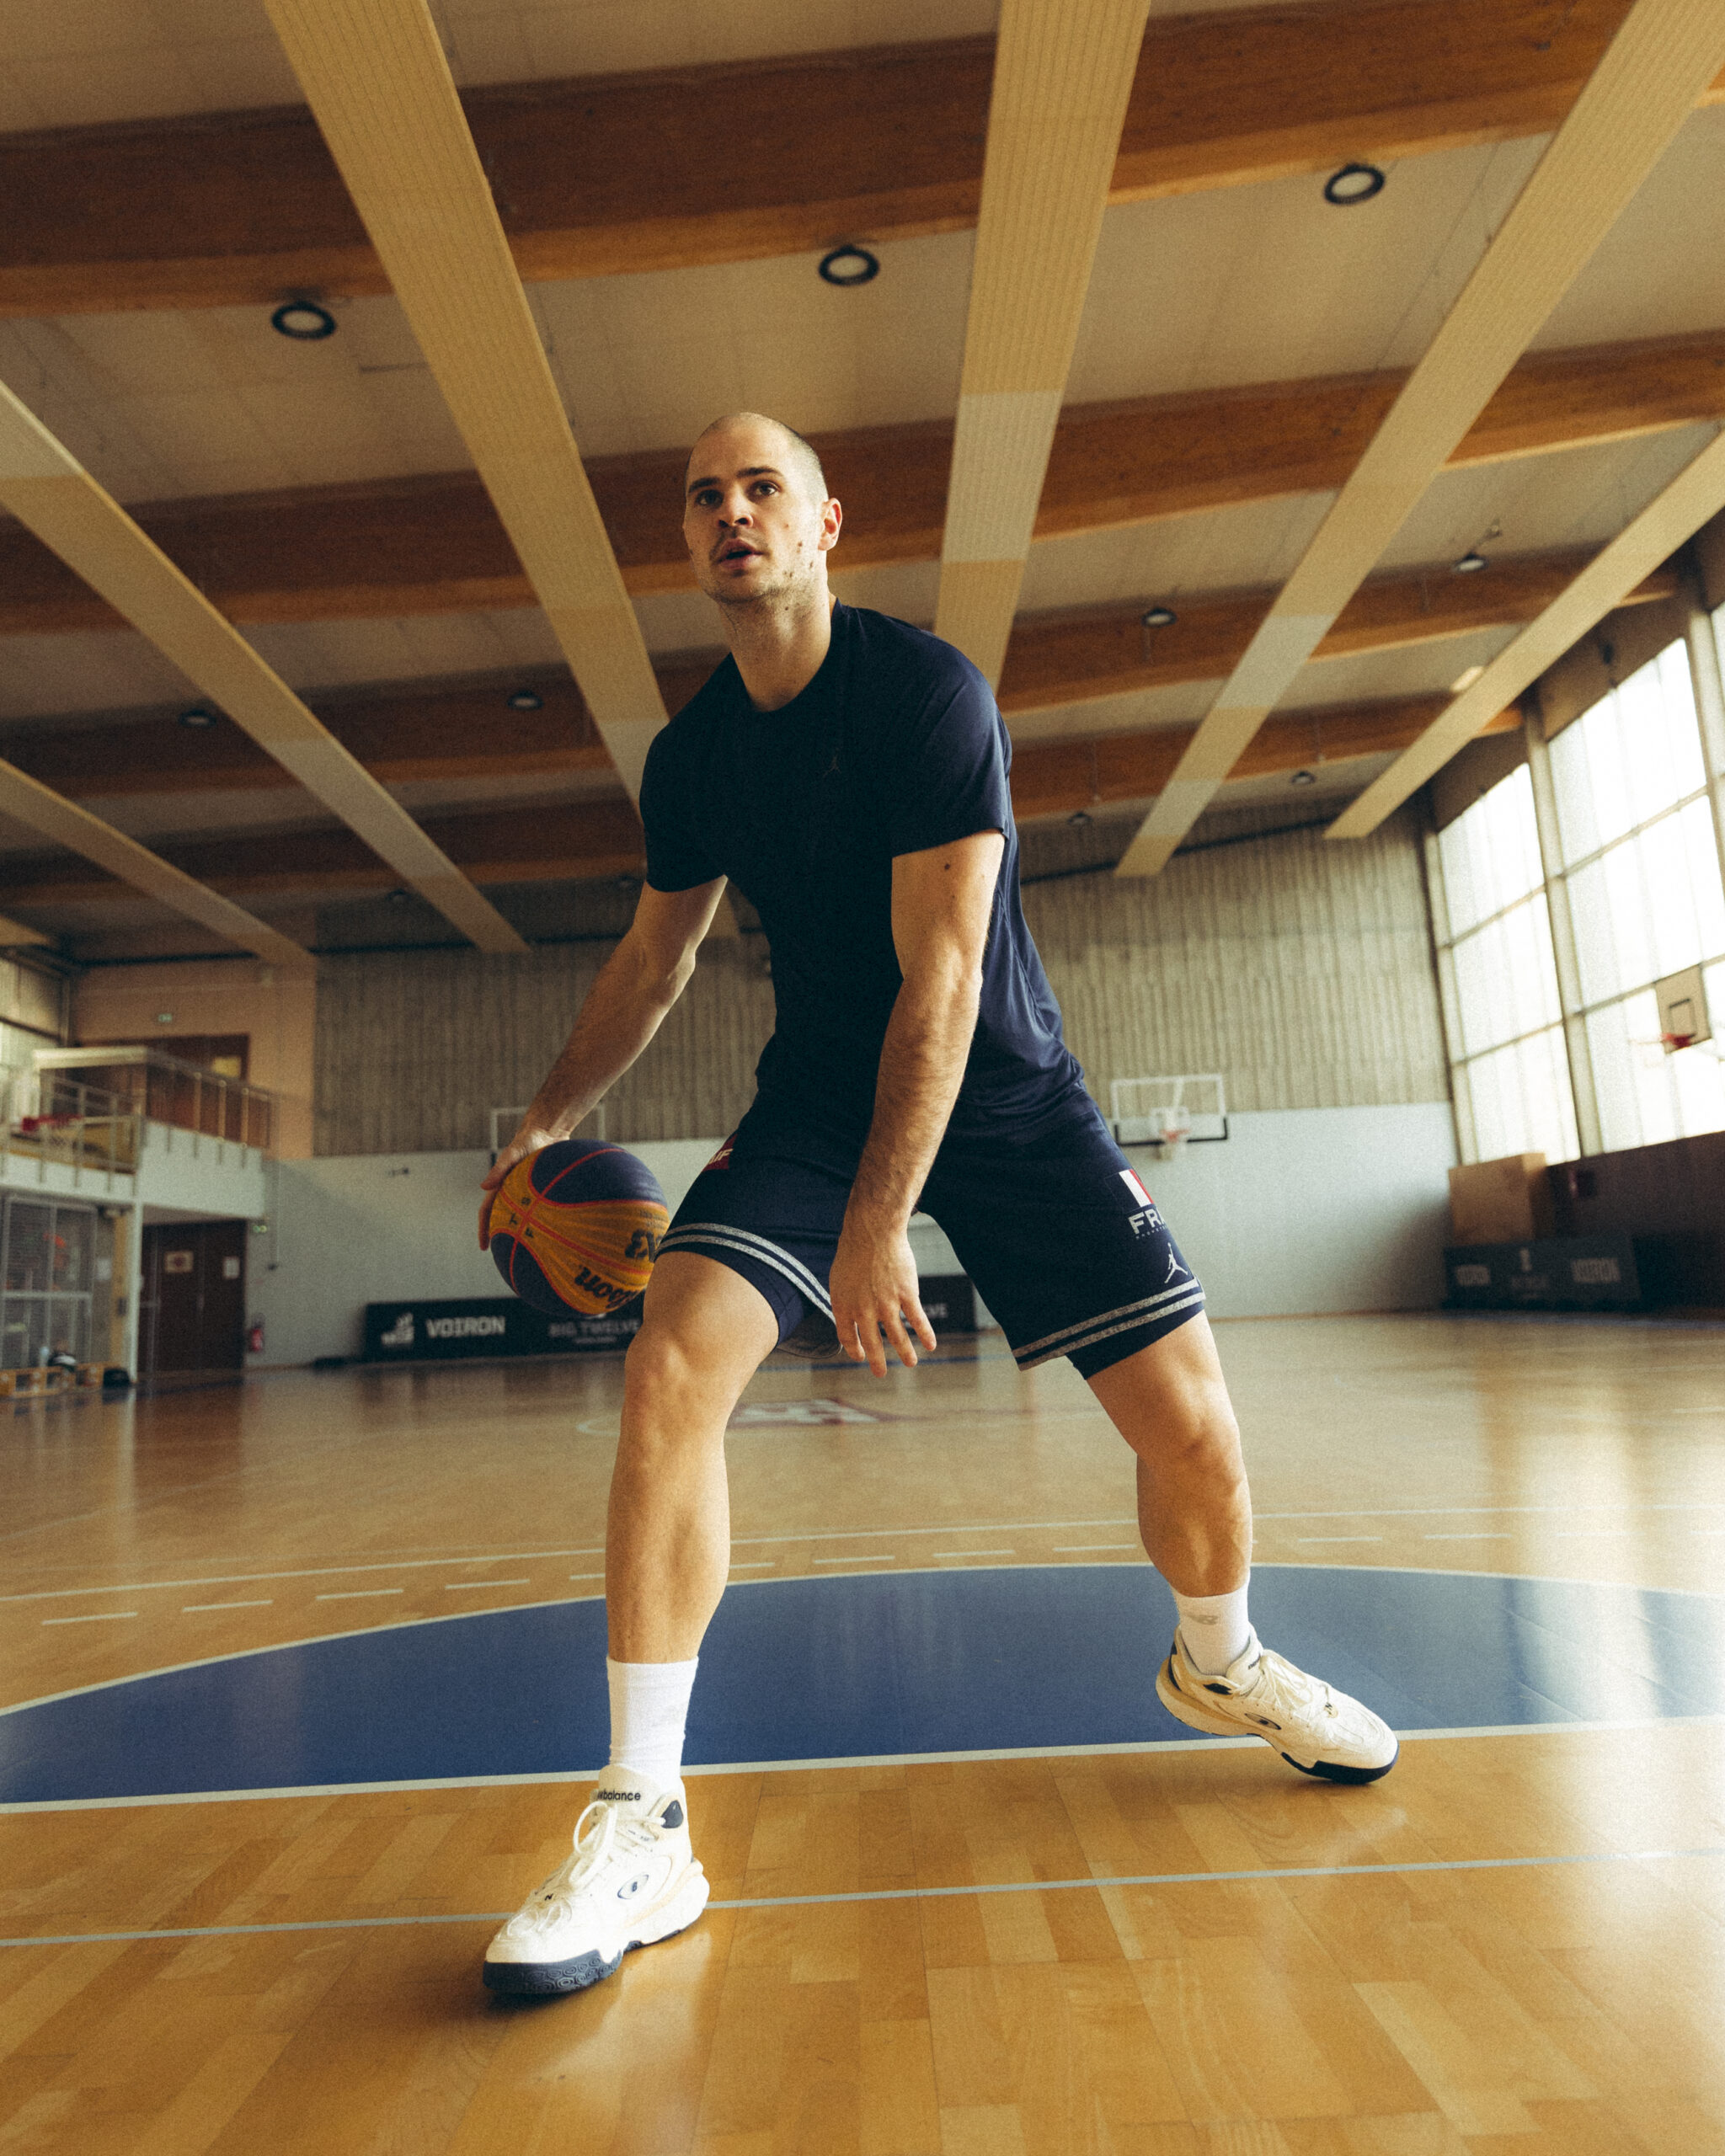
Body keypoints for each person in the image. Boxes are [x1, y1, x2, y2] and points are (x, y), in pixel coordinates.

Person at [476, 413, 1397, 1997]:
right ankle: (644, 1820)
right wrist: (550, 1116)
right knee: (674, 1363)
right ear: (685, 543)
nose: (732, 514)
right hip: (821, 1096)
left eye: (763, 488)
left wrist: (879, 1219)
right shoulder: (695, 755)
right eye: (704, 496)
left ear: (828, 523)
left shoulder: (921, 695)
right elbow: (655, 956)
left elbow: (947, 974)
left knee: (1194, 1433)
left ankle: (1222, 1659)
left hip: (1006, 1087)